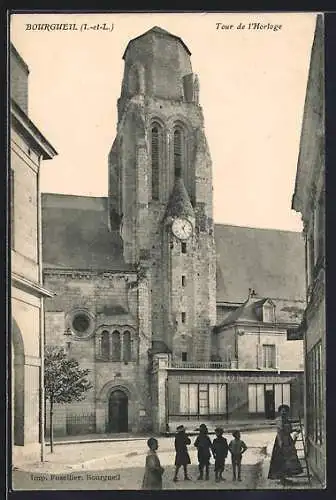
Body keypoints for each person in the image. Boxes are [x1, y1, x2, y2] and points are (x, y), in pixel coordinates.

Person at [268, 404, 303, 486]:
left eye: (285, 411)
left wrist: (295, 428)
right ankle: (281, 479)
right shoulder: (279, 420)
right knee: (280, 459)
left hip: (288, 440)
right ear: (280, 412)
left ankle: (285, 477)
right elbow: (283, 430)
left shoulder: (286, 420)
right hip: (281, 441)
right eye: (282, 411)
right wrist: (294, 429)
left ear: (287, 412)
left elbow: (289, 428)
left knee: (289, 459)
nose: (284, 412)